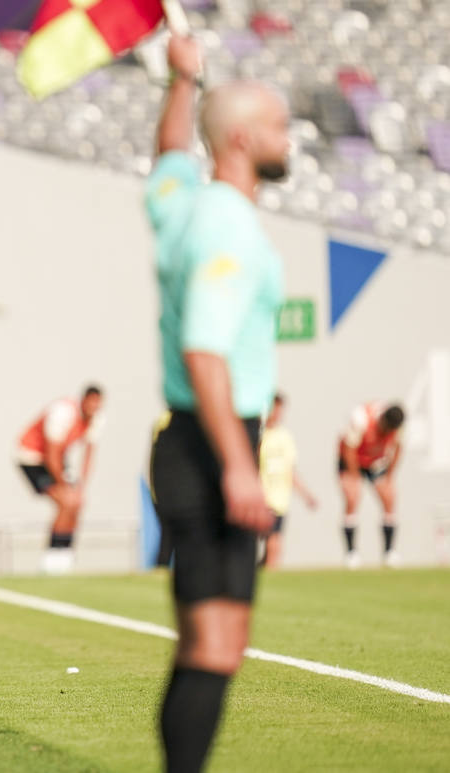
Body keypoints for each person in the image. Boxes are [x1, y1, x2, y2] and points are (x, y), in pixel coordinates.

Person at [145, 33, 290, 773]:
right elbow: (205, 351)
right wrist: (239, 465)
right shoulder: (226, 225)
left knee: (216, 641)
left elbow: (170, 157)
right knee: (212, 643)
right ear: (241, 139)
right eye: (278, 126)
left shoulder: (184, 205)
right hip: (212, 442)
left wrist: (181, 81)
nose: (288, 138)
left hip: (199, 440)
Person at [16, 385, 105, 574]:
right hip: (32, 457)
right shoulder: (62, 413)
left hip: (56, 460)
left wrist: (81, 486)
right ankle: (52, 557)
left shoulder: (96, 419)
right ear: (83, 400)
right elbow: (51, 455)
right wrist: (64, 487)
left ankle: (65, 553)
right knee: (65, 501)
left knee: (77, 502)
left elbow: (89, 455)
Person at [336, 401, 404, 568]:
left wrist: (389, 475)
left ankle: (389, 552)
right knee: (352, 499)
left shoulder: (398, 427)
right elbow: (348, 449)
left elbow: (397, 448)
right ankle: (351, 553)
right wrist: (354, 476)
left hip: (376, 462)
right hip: (352, 460)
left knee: (389, 499)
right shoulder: (361, 419)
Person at [257, 393, 317, 568]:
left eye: (280, 410)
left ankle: (270, 574)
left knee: (274, 542)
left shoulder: (285, 437)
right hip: (257, 497)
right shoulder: (257, 434)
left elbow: (290, 471)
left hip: (277, 499)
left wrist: (306, 495)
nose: (277, 414)